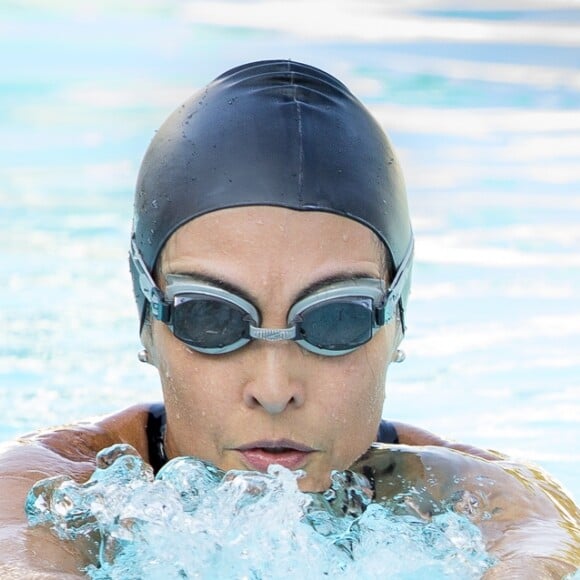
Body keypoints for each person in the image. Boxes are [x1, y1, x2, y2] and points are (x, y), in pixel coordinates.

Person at [0, 60, 577, 578]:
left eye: (334, 321)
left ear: (398, 319)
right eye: (211, 319)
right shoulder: (43, 493)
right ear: (146, 320)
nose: (274, 391)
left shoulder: (486, 502)